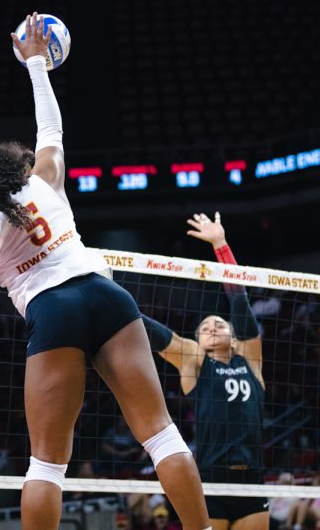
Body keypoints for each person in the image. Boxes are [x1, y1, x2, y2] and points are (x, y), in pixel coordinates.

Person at [0, 14, 210, 530]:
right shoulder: (44, 179)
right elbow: (51, 127)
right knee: (162, 435)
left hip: (54, 312)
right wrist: (35, 66)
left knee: (47, 462)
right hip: (106, 295)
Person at [138, 212, 268, 530]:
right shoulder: (194, 362)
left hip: (252, 479)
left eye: (218, 324)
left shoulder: (250, 360)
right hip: (210, 479)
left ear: (234, 338)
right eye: (204, 327)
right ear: (198, 341)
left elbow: (240, 303)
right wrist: (115, 301)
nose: (211, 326)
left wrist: (221, 244)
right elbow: (155, 333)